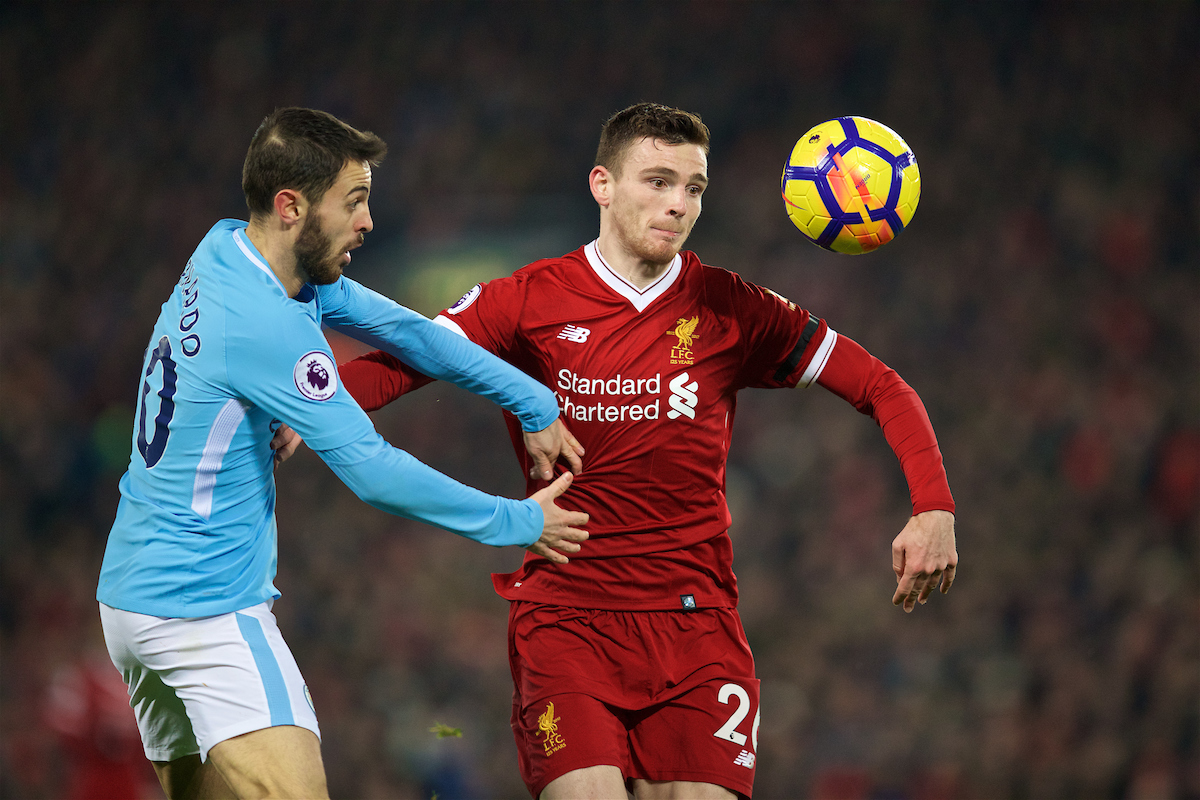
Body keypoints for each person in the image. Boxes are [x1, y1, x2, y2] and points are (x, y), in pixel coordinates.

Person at [333, 103, 958, 799]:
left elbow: (881, 385)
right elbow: (408, 359)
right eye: (658, 182)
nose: (679, 205)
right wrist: (308, 411)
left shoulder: (733, 308)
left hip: (697, 628)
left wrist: (933, 506)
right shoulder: (528, 299)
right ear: (602, 184)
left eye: (693, 188)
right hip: (567, 618)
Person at [96, 107, 589, 800]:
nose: (368, 222)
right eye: (353, 202)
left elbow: (410, 334)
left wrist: (531, 399)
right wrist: (520, 523)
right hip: (203, 610)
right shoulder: (266, 324)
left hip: (129, 601)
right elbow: (374, 472)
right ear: (292, 206)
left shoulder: (226, 248)